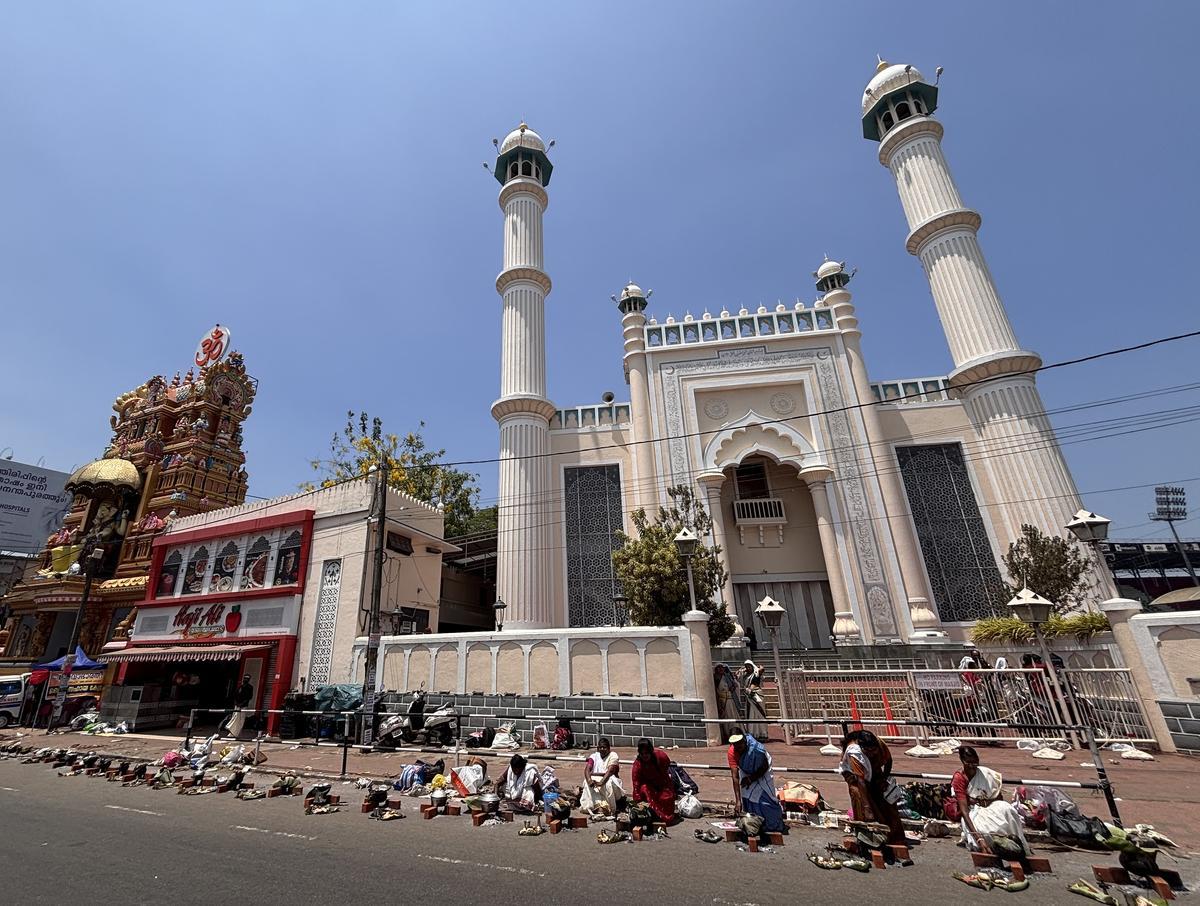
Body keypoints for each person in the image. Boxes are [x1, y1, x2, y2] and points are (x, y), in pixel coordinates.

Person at [952, 746, 1031, 857]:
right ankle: (992, 847)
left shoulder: (986, 774)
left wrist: (991, 805)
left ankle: (1018, 843)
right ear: (962, 761)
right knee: (984, 829)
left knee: (1008, 809)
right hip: (974, 811)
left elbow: (998, 797)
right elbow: (964, 810)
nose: (972, 766)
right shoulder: (959, 778)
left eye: (975, 763)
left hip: (991, 806)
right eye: (968, 763)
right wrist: (979, 838)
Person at [837, 729, 905, 845]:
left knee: (887, 799)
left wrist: (884, 779)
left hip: (875, 772)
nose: (872, 753)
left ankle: (896, 836)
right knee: (859, 795)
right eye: (868, 751)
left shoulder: (879, 744)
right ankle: (867, 839)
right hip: (855, 778)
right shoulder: (855, 754)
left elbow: (888, 761)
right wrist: (868, 808)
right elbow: (861, 781)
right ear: (862, 747)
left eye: (874, 750)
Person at [729, 731, 784, 833]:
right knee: (747, 794)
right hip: (746, 770)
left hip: (763, 771)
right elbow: (735, 776)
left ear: (745, 741)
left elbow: (764, 767)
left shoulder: (756, 749)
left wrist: (751, 779)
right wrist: (738, 801)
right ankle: (753, 824)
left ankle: (772, 824)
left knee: (766, 796)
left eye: (740, 745)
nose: (738, 748)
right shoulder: (732, 752)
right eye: (736, 746)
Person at [630, 738, 677, 824]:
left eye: (647, 753)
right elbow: (636, 784)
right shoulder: (638, 765)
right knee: (645, 789)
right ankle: (653, 814)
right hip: (649, 788)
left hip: (663, 783)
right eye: (642, 754)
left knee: (667, 796)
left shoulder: (660, 756)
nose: (645, 756)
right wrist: (638, 803)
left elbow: (666, 767)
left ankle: (666, 816)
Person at [579, 737, 623, 815]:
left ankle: (608, 808)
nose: (602, 749)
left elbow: (610, 771)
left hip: (609, 779)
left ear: (609, 748)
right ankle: (593, 807)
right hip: (596, 781)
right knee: (586, 782)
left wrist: (601, 782)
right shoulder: (594, 756)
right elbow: (587, 769)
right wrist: (589, 780)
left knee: (608, 783)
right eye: (600, 747)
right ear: (598, 748)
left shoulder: (613, 755)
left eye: (604, 747)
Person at [740, 659, 770, 739]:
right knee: (751, 715)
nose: (748, 668)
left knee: (759, 714)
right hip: (749, 696)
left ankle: (762, 733)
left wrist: (757, 667)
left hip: (757, 696)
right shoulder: (745, 676)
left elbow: (762, 669)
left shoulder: (756, 673)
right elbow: (737, 675)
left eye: (749, 666)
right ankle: (752, 733)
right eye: (746, 667)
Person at [713, 664, 743, 743]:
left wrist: (732, 686)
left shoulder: (727, 677)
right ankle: (728, 734)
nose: (720, 670)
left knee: (733, 716)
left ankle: (737, 733)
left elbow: (734, 686)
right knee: (726, 718)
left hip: (730, 700)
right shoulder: (716, 678)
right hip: (723, 701)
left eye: (722, 668)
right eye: (718, 668)